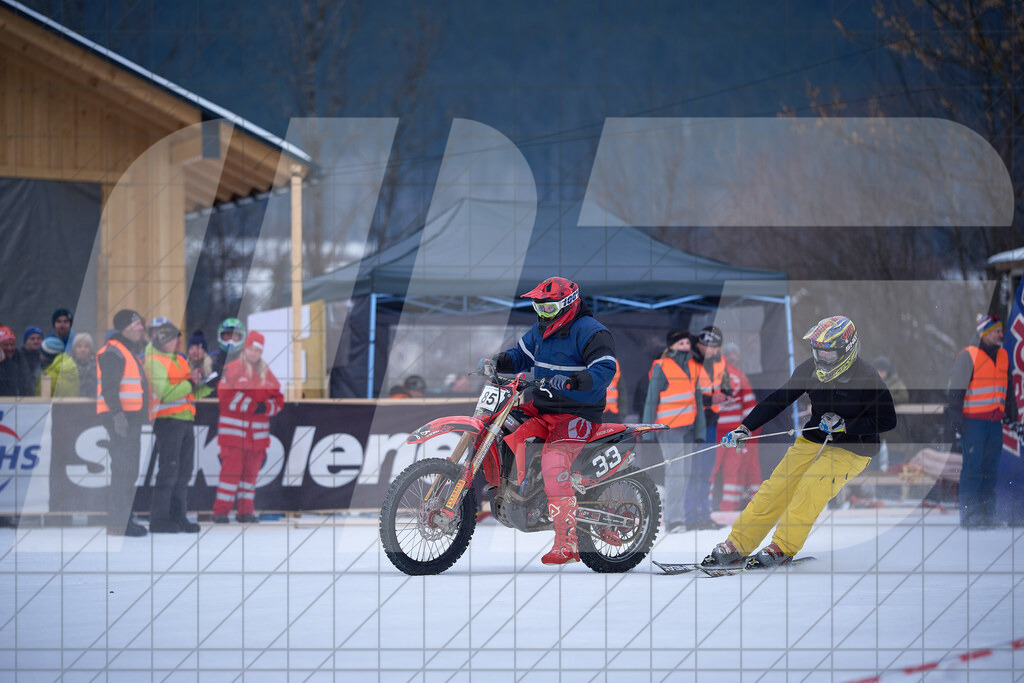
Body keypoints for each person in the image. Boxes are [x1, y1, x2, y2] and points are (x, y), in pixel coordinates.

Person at [704, 315, 896, 569]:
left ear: (847, 350)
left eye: (828, 354)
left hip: (853, 448)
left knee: (810, 487)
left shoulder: (868, 377)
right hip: (813, 440)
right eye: (818, 352)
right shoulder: (810, 369)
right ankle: (737, 545)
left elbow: (888, 420)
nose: (821, 359)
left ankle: (782, 546)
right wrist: (746, 427)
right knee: (774, 489)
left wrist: (847, 425)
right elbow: (779, 398)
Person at [485, 276, 617, 565]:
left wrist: (575, 381)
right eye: (538, 308)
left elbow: (606, 369)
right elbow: (521, 355)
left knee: (552, 463)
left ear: (567, 304)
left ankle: (567, 543)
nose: (542, 314)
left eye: (547, 308)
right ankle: (520, 495)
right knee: (505, 432)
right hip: (542, 408)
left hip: (577, 414)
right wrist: (499, 362)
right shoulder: (541, 330)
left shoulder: (592, 332)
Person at [948, 314, 1019, 528]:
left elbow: (1007, 389)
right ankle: (970, 517)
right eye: (996, 331)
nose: (1001, 334)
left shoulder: (1004, 356)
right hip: (973, 423)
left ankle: (987, 515)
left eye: (1001, 331)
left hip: (994, 423)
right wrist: (956, 420)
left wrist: (1011, 412)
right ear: (985, 333)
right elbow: (955, 392)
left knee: (990, 470)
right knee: (973, 470)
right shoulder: (968, 356)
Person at [213, 331, 284, 523]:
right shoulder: (233, 368)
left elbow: (278, 400)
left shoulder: (266, 373)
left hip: (257, 438)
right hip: (234, 436)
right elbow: (225, 397)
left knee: (250, 477)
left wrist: (266, 407)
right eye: (251, 349)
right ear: (246, 349)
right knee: (230, 475)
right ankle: (221, 512)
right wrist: (254, 406)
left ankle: (246, 512)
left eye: (257, 350)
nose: (253, 353)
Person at [643, 330, 709, 533]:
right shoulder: (661, 366)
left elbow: (697, 401)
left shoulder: (694, 366)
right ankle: (673, 520)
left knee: (685, 474)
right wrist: (647, 430)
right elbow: (651, 399)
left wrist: (700, 432)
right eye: (680, 343)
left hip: (688, 428)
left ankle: (677, 517)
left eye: (687, 343)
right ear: (671, 346)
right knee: (676, 474)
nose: (685, 346)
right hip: (669, 428)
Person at [144, 318, 202, 533]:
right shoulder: (152, 361)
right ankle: (159, 519)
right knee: (169, 470)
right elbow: (165, 393)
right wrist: (191, 383)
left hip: (185, 419)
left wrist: (205, 385)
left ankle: (178, 516)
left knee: (184, 471)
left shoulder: (180, 359)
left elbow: (188, 390)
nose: (178, 342)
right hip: (168, 420)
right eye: (174, 339)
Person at [97, 309, 150, 537]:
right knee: (123, 471)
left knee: (128, 471)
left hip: (129, 418)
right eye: (138, 324)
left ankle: (123, 518)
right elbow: (109, 387)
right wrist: (118, 416)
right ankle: (119, 523)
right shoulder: (114, 351)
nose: (141, 328)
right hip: (121, 419)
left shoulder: (126, 351)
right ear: (125, 328)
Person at [685, 325, 732, 530]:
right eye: (712, 347)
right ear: (702, 344)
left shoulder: (719, 361)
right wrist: (710, 397)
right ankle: (689, 517)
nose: (715, 352)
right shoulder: (689, 361)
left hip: (711, 422)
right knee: (692, 471)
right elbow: (686, 391)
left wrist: (724, 394)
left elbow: (726, 385)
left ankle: (704, 514)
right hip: (693, 422)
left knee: (706, 471)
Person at [713, 342, 762, 511]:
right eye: (732, 353)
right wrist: (752, 429)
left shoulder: (721, 372)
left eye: (736, 353)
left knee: (725, 469)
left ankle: (725, 507)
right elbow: (749, 407)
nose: (734, 356)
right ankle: (725, 506)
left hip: (728, 430)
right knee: (726, 469)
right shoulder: (733, 374)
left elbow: (748, 406)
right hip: (725, 430)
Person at [0, 326, 35, 396]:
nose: (9, 348)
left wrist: (6, 361)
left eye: (12, 344)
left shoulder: (19, 357)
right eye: (5, 345)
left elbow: (25, 383)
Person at [70, 333, 97, 399]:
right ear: (74, 349)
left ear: (90, 349)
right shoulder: (67, 365)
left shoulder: (97, 364)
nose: (83, 349)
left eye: (86, 346)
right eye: (79, 346)